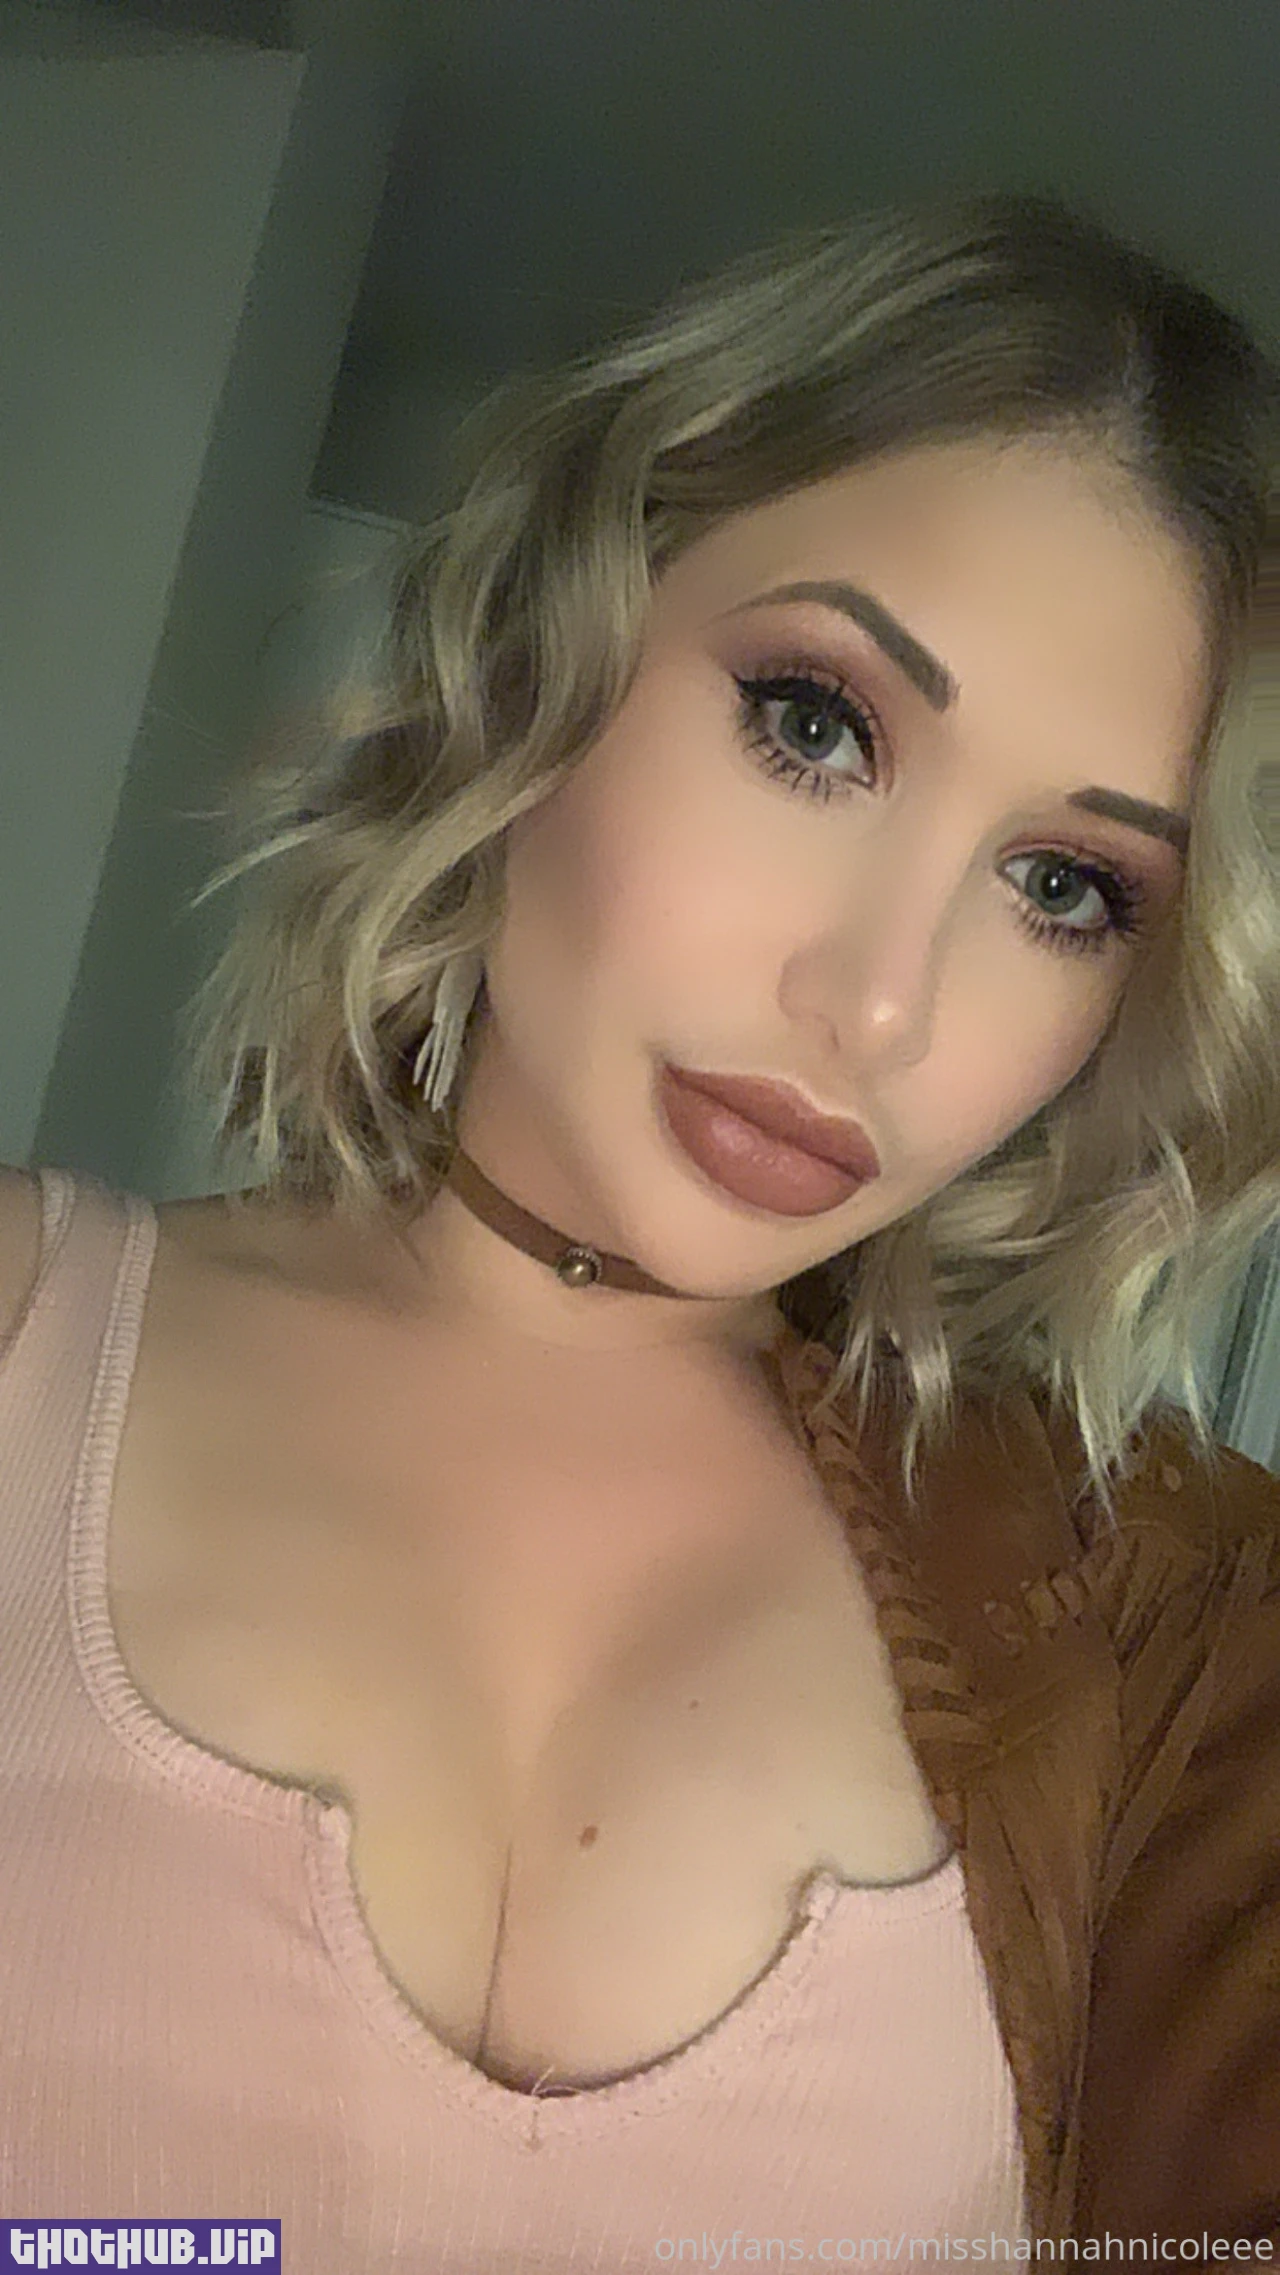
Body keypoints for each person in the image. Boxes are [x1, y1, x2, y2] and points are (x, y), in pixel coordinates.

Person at [1, 188, 1278, 2268]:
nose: (879, 1004)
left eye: (1065, 888)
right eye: (816, 725)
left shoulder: (1166, 1643)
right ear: (552, 640)